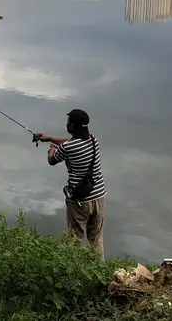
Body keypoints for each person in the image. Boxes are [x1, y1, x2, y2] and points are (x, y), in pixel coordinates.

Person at [39, 109, 106, 259]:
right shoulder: (93, 139)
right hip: (99, 197)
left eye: (68, 122)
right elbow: (71, 142)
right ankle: (100, 271)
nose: (67, 124)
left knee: (75, 239)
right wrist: (49, 137)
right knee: (96, 239)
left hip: (79, 201)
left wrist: (51, 150)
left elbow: (52, 160)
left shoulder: (67, 147)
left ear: (71, 126)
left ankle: (74, 271)